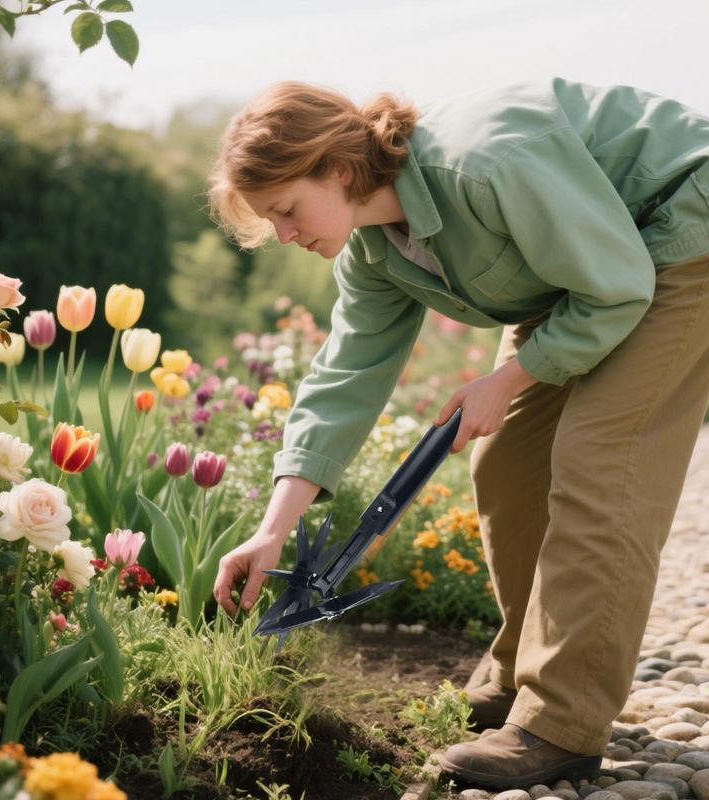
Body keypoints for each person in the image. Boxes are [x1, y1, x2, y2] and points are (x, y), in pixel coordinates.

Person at [208, 77, 709, 788]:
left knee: (602, 465)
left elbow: (619, 284)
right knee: (507, 465)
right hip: (589, 266)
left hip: (680, 227)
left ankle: (561, 722)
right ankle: (516, 674)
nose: (285, 235)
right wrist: (272, 529)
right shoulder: (375, 248)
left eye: (287, 210)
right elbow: (345, 377)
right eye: (272, 221)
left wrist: (506, 379)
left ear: (340, 169)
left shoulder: (482, 166)